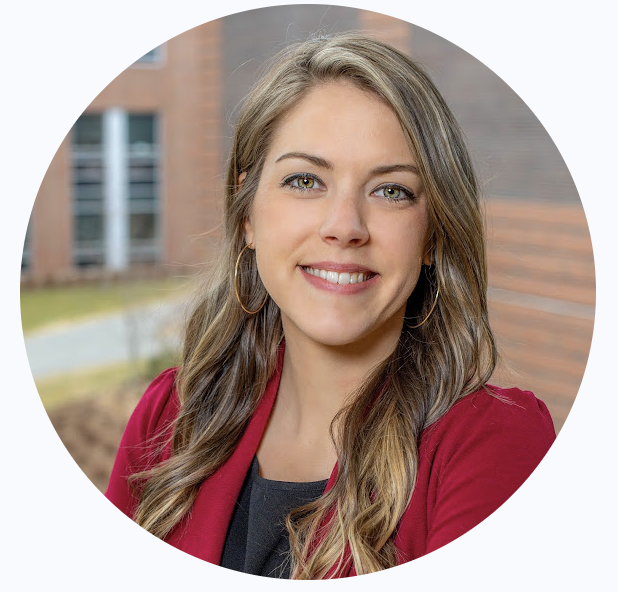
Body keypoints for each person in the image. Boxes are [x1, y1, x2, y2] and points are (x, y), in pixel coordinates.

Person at [105, 33, 556, 579]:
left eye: (391, 191)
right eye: (305, 180)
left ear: (434, 232)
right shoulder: (170, 418)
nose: (344, 227)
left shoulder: (492, 444)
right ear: (247, 214)